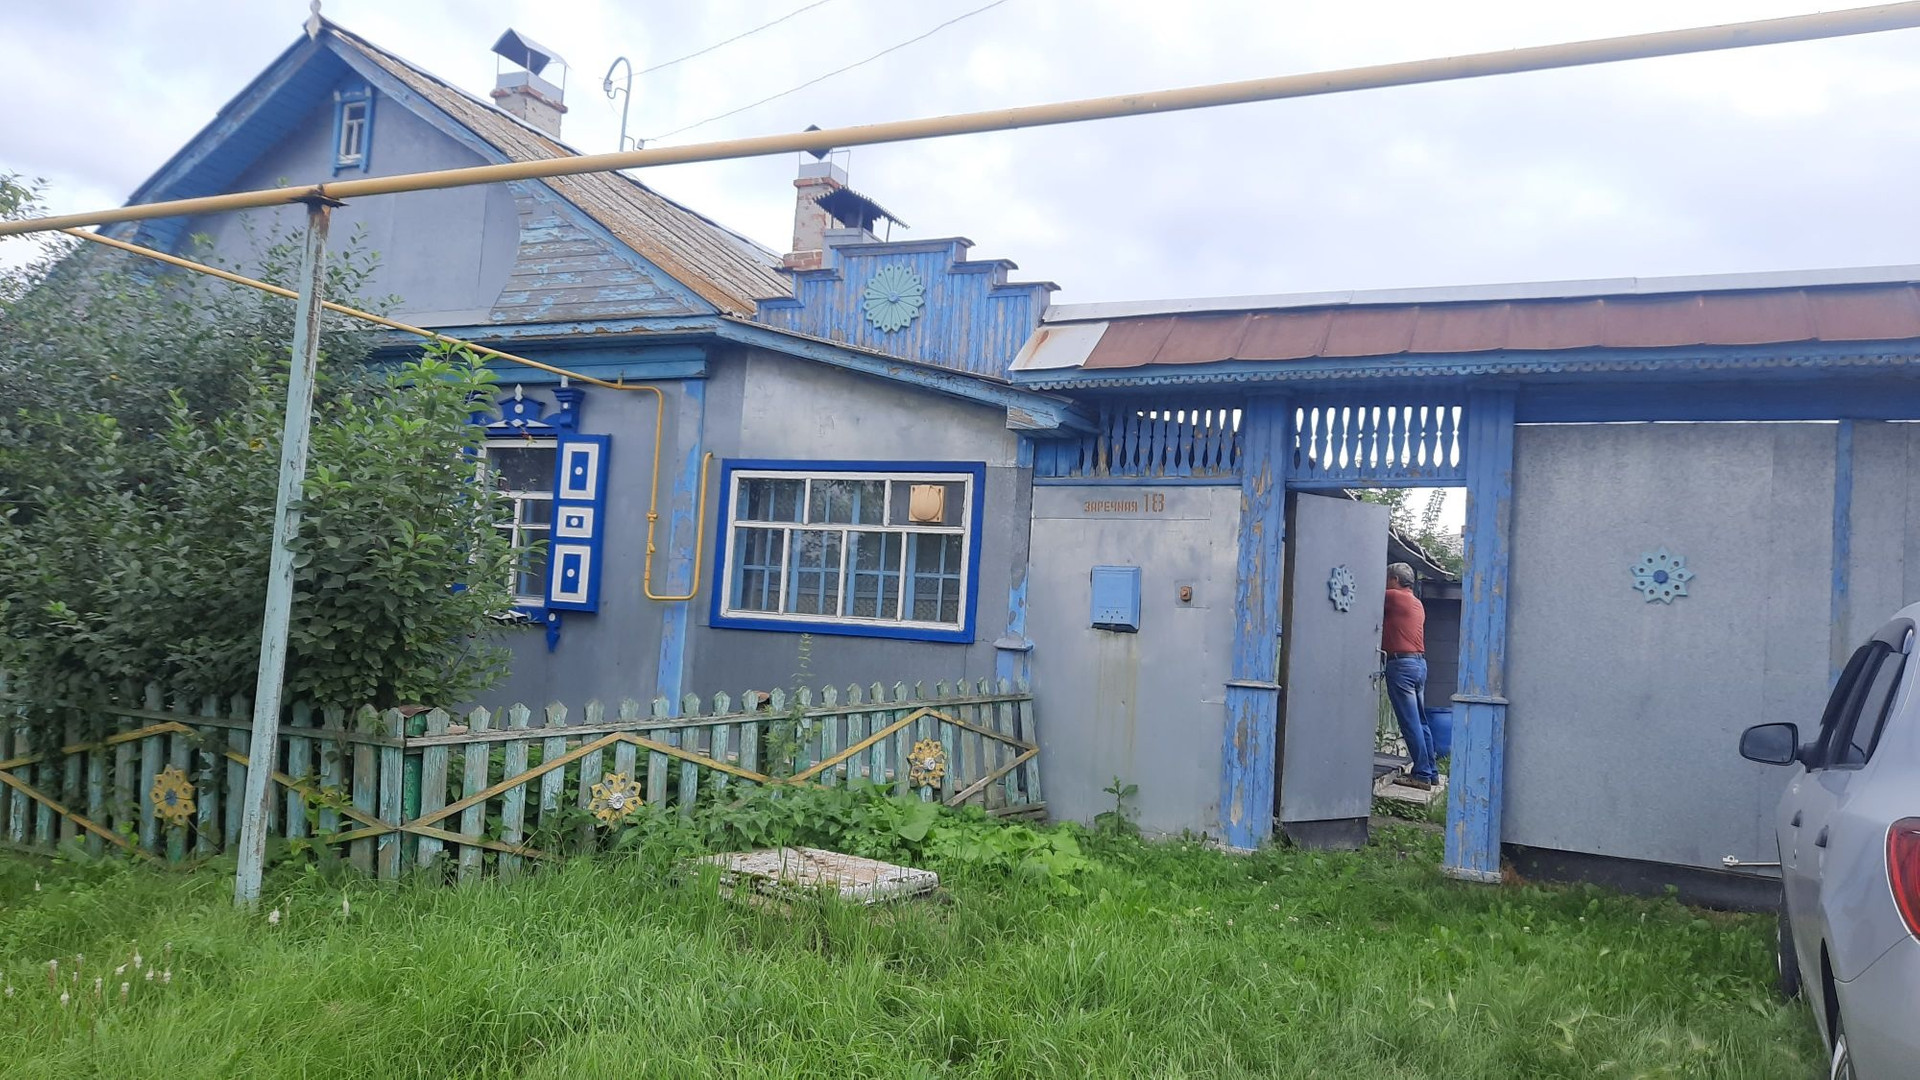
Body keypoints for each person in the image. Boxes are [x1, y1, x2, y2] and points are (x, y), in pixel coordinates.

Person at [1382, 562, 1437, 790]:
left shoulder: (1394, 597)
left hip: (1401, 665)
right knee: (1421, 721)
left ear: (1394, 580)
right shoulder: (1416, 602)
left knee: (1409, 722)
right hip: (1418, 664)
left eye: (1387, 579)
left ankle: (1422, 774)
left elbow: (1366, 595)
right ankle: (1431, 771)